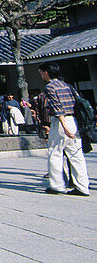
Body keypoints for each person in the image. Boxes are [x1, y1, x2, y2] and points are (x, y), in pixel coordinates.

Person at [39, 62, 90, 196]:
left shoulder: (50, 87)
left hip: (61, 122)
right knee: (76, 154)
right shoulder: (68, 86)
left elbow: (57, 107)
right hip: (73, 120)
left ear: (46, 73)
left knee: (55, 152)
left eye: (42, 72)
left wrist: (64, 126)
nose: (41, 75)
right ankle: (83, 186)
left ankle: (57, 185)